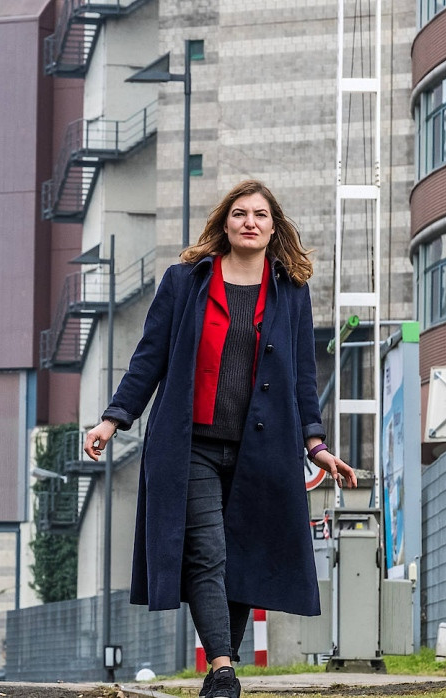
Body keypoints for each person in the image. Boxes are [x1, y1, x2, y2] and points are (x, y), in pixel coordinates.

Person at [82, 180, 356, 698]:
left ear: (274, 227)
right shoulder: (186, 281)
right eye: (239, 213)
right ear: (224, 224)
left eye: (259, 214)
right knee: (207, 552)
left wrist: (316, 445)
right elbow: (150, 357)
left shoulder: (290, 291)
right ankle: (224, 667)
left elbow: (301, 378)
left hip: (262, 452)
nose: (249, 221)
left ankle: (221, 667)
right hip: (191, 446)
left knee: (241, 557)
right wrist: (113, 419)